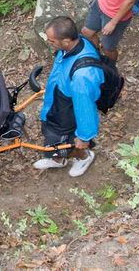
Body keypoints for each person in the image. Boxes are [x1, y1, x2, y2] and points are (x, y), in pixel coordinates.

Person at [33, 16, 103, 178]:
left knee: (67, 141)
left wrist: (84, 136)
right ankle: (57, 159)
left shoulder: (82, 76)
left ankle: (84, 157)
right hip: (58, 101)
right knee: (51, 133)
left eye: (52, 41)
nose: (50, 43)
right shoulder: (72, 46)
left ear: (65, 41)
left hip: (69, 110)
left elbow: (85, 108)